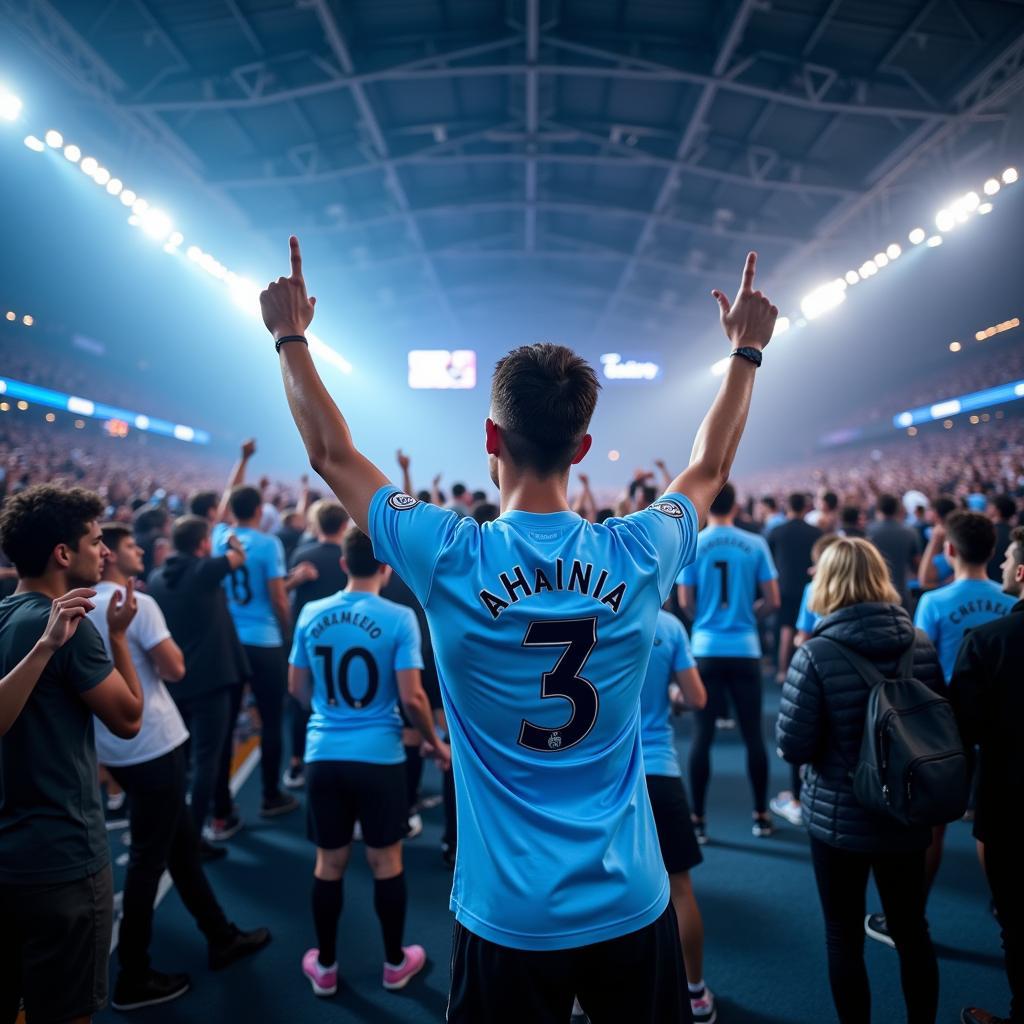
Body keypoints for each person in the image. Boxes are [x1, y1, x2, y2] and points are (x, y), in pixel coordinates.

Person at [262, 236, 778, 1022]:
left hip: (507, 914)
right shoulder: (639, 549)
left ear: (491, 440)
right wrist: (745, 354)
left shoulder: (449, 555)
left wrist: (289, 338)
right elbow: (707, 469)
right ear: (582, 449)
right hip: (631, 900)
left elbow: (332, 453)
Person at [90, 523, 271, 1009]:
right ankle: (131, 973)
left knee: (180, 849)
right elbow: (174, 669)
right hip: (153, 742)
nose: (138, 550)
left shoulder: (73, 606)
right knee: (153, 859)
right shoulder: (135, 604)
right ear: (105, 556)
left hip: (114, 748)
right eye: (127, 545)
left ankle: (220, 935)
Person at [777, 537, 941, 1024]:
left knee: (842, 936)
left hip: (839, 815)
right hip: (907, 810)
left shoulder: (815, 654)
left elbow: (793, 747)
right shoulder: (921, 642)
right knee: (913, 932)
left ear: (825, 582)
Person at [0, 485, 144, 1024]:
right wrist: (120, 638)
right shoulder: (67, 627)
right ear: (63, 553)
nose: (105, 552)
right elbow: (128, 719)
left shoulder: (4, 614)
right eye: (96, 540)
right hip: (60, 857)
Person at [289, 527, 451, 997]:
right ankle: (395, 963)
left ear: (343, 565)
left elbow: (297, 689)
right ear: (385, 567)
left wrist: (326, 713)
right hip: (380, 758)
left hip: (324, 753)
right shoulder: (399, 618)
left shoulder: (311, 612)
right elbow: (413, 697)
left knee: (329, 863)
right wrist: (434, 744)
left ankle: (325, 965)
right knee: (386, 861)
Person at [865, 510, 1015, 948]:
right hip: (1003, 724)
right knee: (994, 824)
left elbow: (918, 663)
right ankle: (1002, 903)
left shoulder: (933, 601)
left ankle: (912, 913)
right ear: (992, 551)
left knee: (934, 826)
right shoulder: (1011, 599)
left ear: (949, 551)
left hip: (947, 726)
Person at [677, 481, 780, 841]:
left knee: (702, 736)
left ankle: (699, 819)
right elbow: (773, 599)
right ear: (736, 506)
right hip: (745, 648)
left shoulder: (695, 544)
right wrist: (749, 615)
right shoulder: (756, 544)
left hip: (705, 648)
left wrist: (704, 618)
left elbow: (685, 601)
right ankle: (762, 815)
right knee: (754, 736)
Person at [952, 526, 1024, 1024]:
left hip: (1010, 802)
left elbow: (963, 729)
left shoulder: (989, 641)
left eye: (1008, 562)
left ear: (1021, 574)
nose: (1000, 568)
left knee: (1015, 921)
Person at [147, 516, 251, 845]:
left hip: (176, 680)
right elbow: (238, 557)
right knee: (210, 758)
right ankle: (193, 837)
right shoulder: (203, 571)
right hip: (212, 680)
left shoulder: (157, 577)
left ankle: (210, 814)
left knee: (186, 760)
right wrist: (232, 542)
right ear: (202, 544)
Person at [639, 607, 715, 1023]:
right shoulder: (668, 626)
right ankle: (695, 993)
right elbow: (697, 697)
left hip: (604, 777)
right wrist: (670, 696)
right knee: (679, 888)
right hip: (659, 770)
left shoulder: (589, 610)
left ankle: (580, 997)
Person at [212, 455, 299, 819]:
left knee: (224, 724)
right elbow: (279, 598)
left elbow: (221, 509)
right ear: (260, 510)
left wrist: (242, 460)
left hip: (228, 642)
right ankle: (269, 795)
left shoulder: (219, 536)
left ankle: (220, 808)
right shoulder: (268, 545)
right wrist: (289, 632)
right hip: (263, 641)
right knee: (271, 717)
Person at [769, 531, 841, 828]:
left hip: (817, 674)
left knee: (799, 732)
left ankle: (798, 800)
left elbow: (803, 636)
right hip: (849, 679)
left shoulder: (814, 590)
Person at [283, 500, 351, 789]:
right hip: (348, 639)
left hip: (311, 641)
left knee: (302, 704)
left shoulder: (302, 553)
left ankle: (297, 762)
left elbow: (288, 595)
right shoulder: (349, 558)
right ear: (344, 525)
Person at [769, 492, 821, 683]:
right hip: (808, 586)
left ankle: (782, 672)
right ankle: (806, 672)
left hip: (784, 586)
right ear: (806, 507)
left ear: (788, 507)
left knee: (786, 628)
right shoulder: (816, 532)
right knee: (807, 631)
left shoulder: (777, 531)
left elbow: (770, 561)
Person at [867, 492, 920, 609]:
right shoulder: (910, 532)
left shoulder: (868, 532)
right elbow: (916, 566)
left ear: (878, 509)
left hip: (875, 595)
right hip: (902, 593)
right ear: (897, 509)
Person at [987, 494, 1018, 584]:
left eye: (990, 506)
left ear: (996, 511)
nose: (987, 508)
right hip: (1010, 584)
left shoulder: (986, 533)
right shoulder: (1017, 535)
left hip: (989, 582)